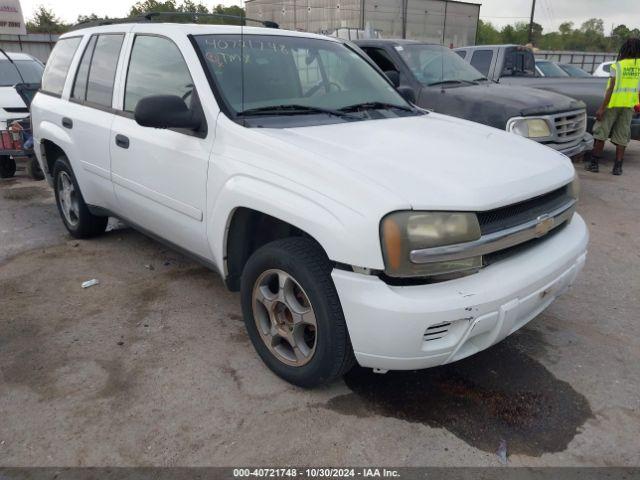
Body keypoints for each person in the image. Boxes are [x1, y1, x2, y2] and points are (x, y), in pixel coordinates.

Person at [587, 38, 640, 175]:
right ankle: (618, 167)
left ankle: (594, 164)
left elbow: (611, 89)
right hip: (628, 107)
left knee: (601, 134)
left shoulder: (617, 66)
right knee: (622, 136)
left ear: (625, 49)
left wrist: (602, 108)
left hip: (612, 105)